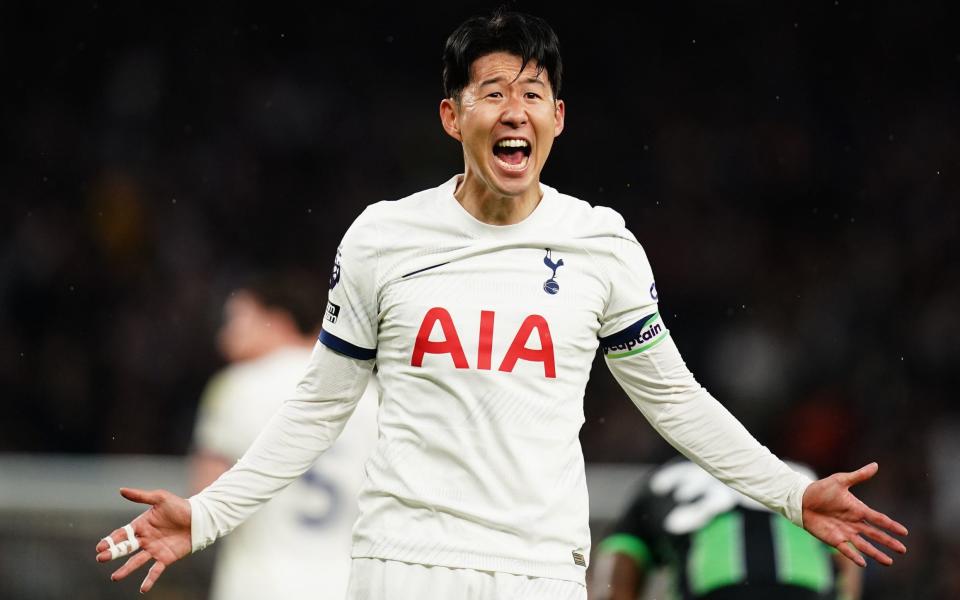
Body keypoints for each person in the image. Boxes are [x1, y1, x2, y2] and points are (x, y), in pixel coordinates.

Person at [95, 10, 907, 599]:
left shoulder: (602, 245)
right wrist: (205, 515)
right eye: (491, 91)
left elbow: (676, 402)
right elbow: (317, 406)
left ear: (557, 119)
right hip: (401, 563)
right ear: (453, 117)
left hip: (541, 569)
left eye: (533, 92)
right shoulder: (384, 237)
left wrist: (790, 492)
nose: (513, 109)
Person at [190, 278, 378, 600]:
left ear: (277, 320)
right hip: (344, 583)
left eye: (237, 320)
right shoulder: (370, 393)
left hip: (257, 583)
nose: (225, 336)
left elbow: (205, 495)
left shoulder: (238, 386)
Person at [588, 459, 863, 600]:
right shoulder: (796, 472)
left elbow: (618, 558)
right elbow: (845, 550)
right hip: (806, 588)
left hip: (714, 589)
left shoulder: (661, 481)